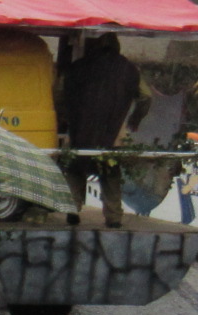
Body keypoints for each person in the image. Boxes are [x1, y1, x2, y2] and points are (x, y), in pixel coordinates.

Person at [60, 33, 146, 227]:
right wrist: (135, 118)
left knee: (76, 169)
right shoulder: (129, 69)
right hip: (113, 133)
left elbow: (60, 93)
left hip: (80, 131)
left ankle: (72, 211)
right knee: (110, 173)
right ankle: (113, 217)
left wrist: (66, 117)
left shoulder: (78, 67)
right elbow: (146, 96)